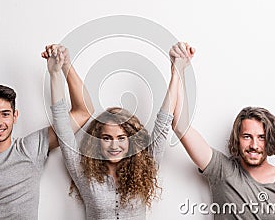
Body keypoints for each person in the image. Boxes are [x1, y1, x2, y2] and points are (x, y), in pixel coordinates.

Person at [0, 44, 93, 220]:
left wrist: (65, 65)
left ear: (15, 116)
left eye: (5, 114)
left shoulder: (30, 148)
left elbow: (84, 111)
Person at [170, 42, 275, 219]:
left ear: (270, 140)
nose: (254, 145)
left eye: (261, 137)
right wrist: (178, 68)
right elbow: (180, 125)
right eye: (247, 136)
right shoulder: (222, 170)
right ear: (237, 139)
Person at [47, 44, 183, 220]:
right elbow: (62, 126)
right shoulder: (84, 174)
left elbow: (163, 123)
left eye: (121, 137)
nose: (114, 145)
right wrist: (56, 72)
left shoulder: (145, 166)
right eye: (106, 138)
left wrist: (176, 72)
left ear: (130, 140)